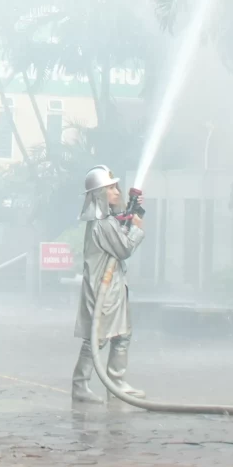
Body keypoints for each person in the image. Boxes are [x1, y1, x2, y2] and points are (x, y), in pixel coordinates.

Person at [70, 165, 145, 403]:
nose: (116, 191)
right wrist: (136, 229)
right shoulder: (102, 224)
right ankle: (81, 386)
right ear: (99, 195)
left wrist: (133, 213)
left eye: (116, 187)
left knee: (122, 335)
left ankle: (116, 383)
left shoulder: (108, 221)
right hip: (103, 290)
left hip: (113, 288)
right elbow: (123, 248)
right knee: (97, 339)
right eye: (111, 188)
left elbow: (119, 232)